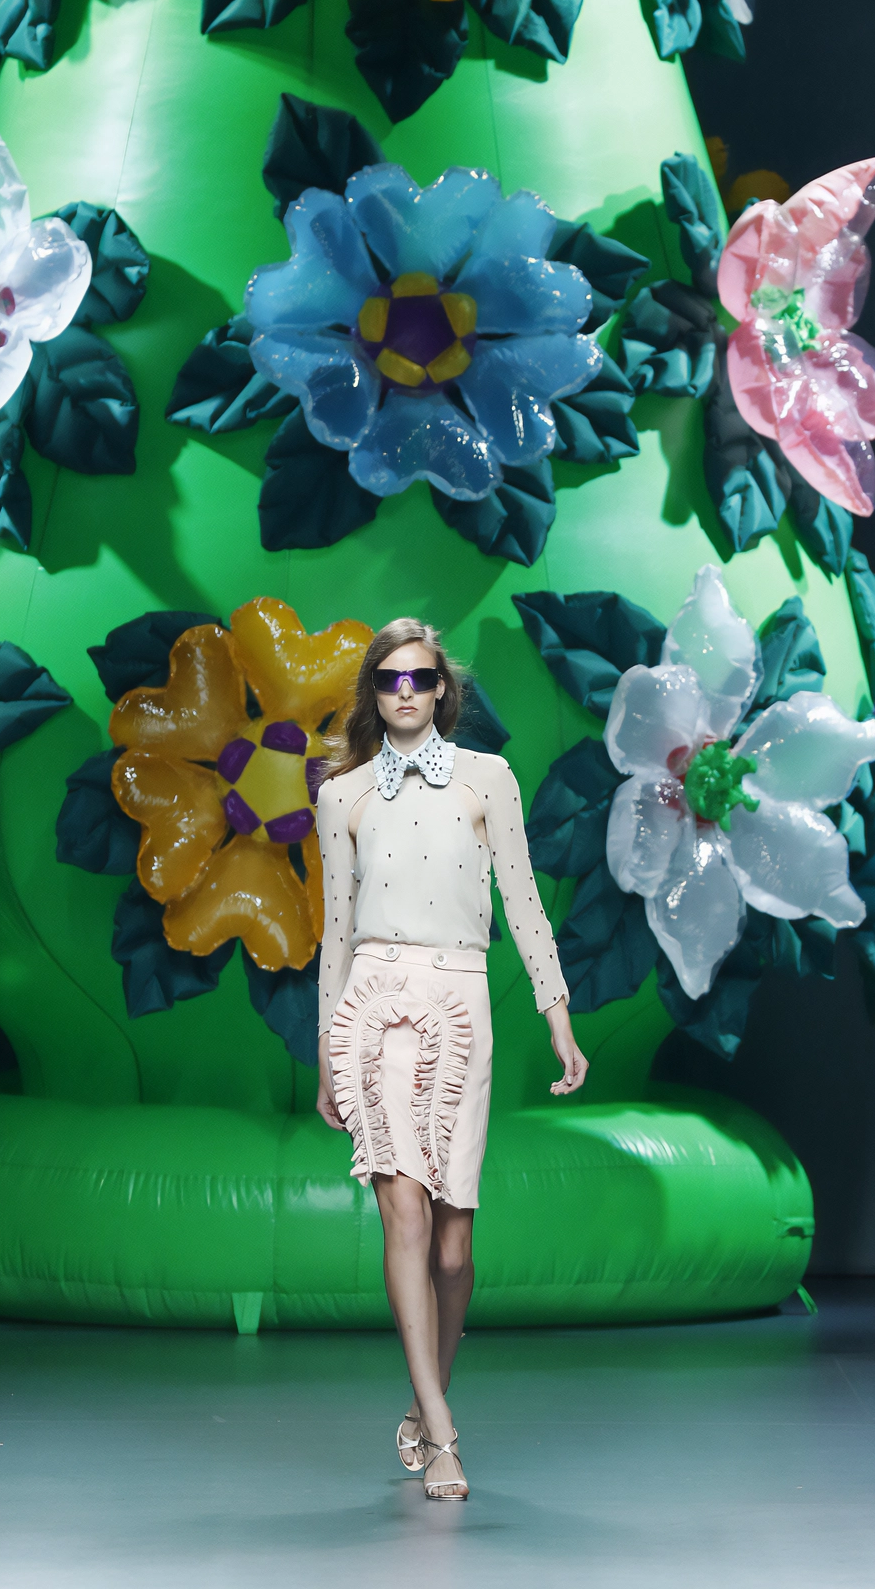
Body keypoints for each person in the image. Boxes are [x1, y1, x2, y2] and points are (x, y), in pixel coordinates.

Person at [314, 618, 588, 1502]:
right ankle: (442, 1433)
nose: (403, 691)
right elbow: (335, 936)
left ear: (441, 691)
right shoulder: (342, 796)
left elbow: (525, 903)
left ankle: (422, 1395)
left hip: (461, 1004)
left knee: (456, 1246)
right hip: (375, 1003)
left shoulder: (488, 781)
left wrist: (558, 1014)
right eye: (388, 678)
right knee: (404, 1219)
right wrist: (327, 1056)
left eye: (418, 678)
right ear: (373, 691)